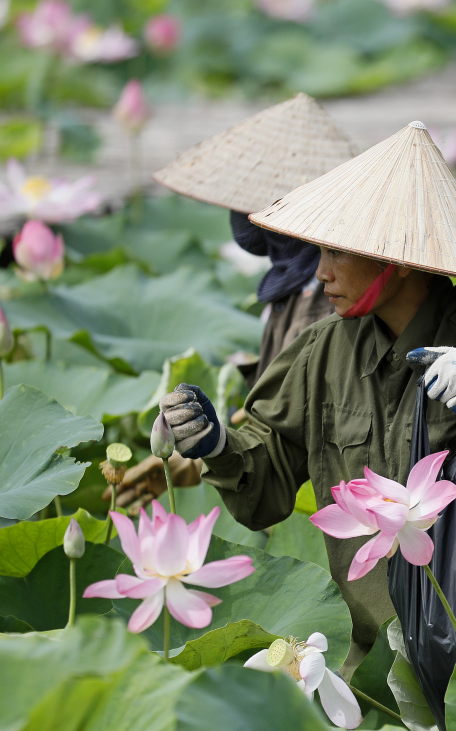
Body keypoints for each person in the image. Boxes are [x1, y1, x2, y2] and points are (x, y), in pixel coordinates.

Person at [157, 121, 456, 671]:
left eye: (338, 252)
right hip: (376, 658)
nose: (321, 273)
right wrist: (218, 443)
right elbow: (263, 493)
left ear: (396, 256)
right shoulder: (319, 352)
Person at [117, 93, 353, 508]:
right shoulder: (290, 284)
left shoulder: (330, 296)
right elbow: (282, 406)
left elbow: (291, 424)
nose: (239, 211)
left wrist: (203, 457)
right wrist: (187, 460)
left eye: (251, 198)